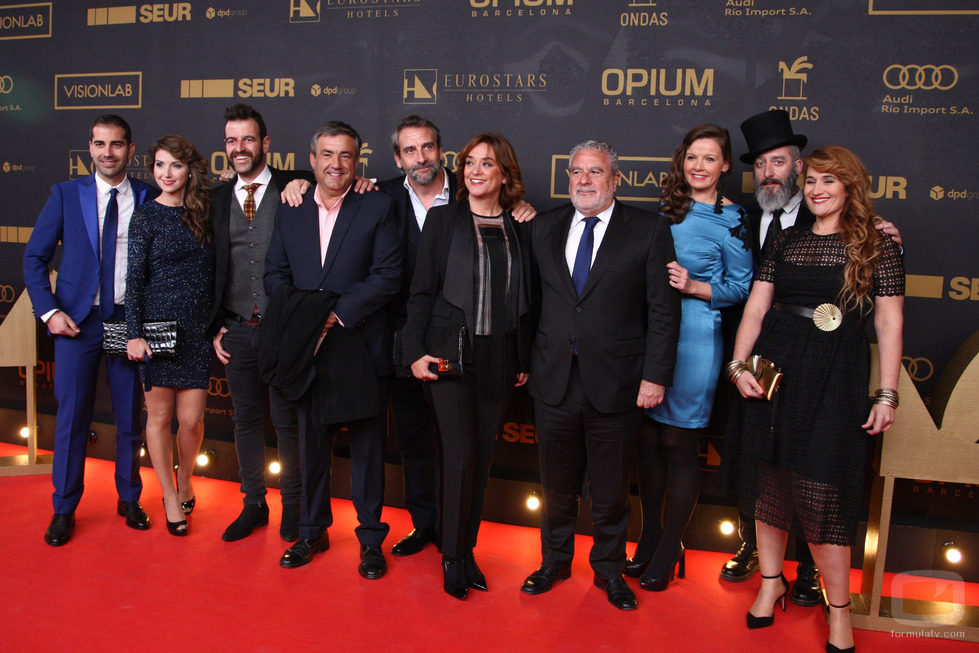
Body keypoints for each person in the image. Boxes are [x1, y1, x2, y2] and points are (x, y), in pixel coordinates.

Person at [721, 109, 903, 607]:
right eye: (761, 164)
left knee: (820, 484)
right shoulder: (770, 228)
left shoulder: (876, 242)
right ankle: (770, 582)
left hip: (834, 367)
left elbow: (888, 321)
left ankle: (824, 592)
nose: (817, 187)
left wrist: (887, 393)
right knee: (766, 477)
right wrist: (737, 366)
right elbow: (756, 308)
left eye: (829, 180)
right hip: (775, 360)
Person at [521, 140, 680, 611]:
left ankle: (609, 571)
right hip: (553, 380)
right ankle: (554, 561)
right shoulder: (544, 227)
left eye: (595, 172)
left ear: (615, 179)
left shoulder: (648, 230)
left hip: (619, 381)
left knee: (610, 490)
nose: (584, 180)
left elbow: (662, 310)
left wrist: (655, 376)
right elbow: (530, 304)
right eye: (576, 172)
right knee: (556, 487)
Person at [264, 121, 401, 579]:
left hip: (359, 345)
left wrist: (331, 314)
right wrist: (307, 321)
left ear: (357, 160)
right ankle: (312, 531)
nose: (336, 164)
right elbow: (274, 275)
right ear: (313, 158)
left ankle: (370, 541)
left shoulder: (377, 206)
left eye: (345, 155)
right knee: (310, 446)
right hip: (309, 350)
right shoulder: (292, 208)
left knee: (366, 450)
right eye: (327, 154)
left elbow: (386, 275)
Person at [401, 133, 533, 600]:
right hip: (446, 356)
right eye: (470, 163)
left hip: (500, 359)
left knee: (479, 461)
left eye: (487, 164)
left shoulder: (522, 228)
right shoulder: (442, 220)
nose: (476, 171)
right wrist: (413, 351)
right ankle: (452, 558)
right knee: (457, 457)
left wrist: (523, 358)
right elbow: (421, 293)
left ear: (504, 175)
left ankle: (466, 548)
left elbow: (528, 304)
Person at [626, 125, 752, 591]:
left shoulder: (734, 219)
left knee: (679, 445)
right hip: (653, 336)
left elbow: (744, 286)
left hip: (698, 337)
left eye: (709, 158)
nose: (698, 166)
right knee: (650, 442)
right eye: (692, 158)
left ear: (724, 166)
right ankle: (652, 535)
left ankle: (670, 542)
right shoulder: (666, 211)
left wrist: (695, 286)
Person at [24, 115, 159, 545]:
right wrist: (48, 312)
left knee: (129, 419)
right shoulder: (65, 194)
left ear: (130, 150)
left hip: (125, 320)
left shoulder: (148, 195)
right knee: (71, 418)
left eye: (116, 145)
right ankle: (63, 508)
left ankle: (129, 497)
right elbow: (33, 258)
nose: (107, 152)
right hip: (77, 324)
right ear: (89, 148)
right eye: (100, 144)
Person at [208, 103, 314, 543]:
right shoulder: (215, 199)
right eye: (232, 141)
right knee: (246, 420)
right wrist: (214, 323)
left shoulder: (296, 189)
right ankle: (253, 503)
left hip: (284, 330)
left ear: (265, 143)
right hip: (235, 329)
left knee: (287, 421)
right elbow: (208, 267)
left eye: (248, 139)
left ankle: (293, 504)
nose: (240, 148)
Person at [125, 135, 214, 536]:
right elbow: (134, 281)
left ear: (189, 169)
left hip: (197, 330)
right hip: (156, 330)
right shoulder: (145, 216)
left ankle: (186, 478)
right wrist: (134, 334)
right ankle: (167, 494)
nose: (166, 174)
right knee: (159, 418)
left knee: (191, 421)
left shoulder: (205, 211)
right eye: (159, 166)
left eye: (175, 166)